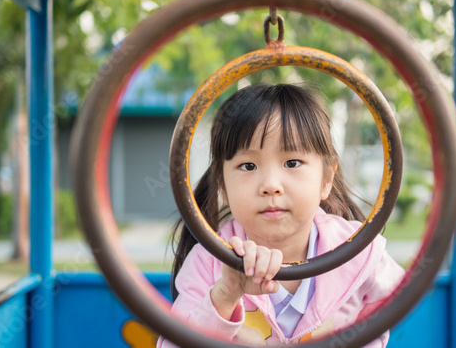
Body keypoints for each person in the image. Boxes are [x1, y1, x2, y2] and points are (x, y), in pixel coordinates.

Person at [157, 83, 405, 347]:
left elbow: (398, 303)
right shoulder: (209, 262)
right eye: (248, 165)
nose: (270, 184)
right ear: (223, 187)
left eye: (292, 163)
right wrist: (224, 296)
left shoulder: (358, 251)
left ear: (326, 178)